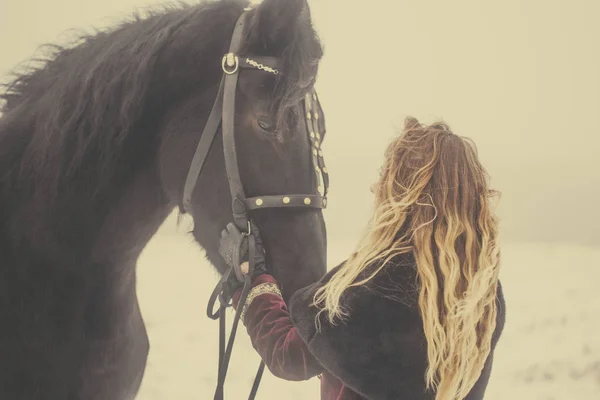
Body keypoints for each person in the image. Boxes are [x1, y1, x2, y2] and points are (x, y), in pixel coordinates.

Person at [219, 117, 506, 400]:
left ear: (402, 191)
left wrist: (252, 275)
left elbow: (288, 356)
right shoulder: (483, 294)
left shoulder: (370, 289)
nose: (376, 186)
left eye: (386, 174)